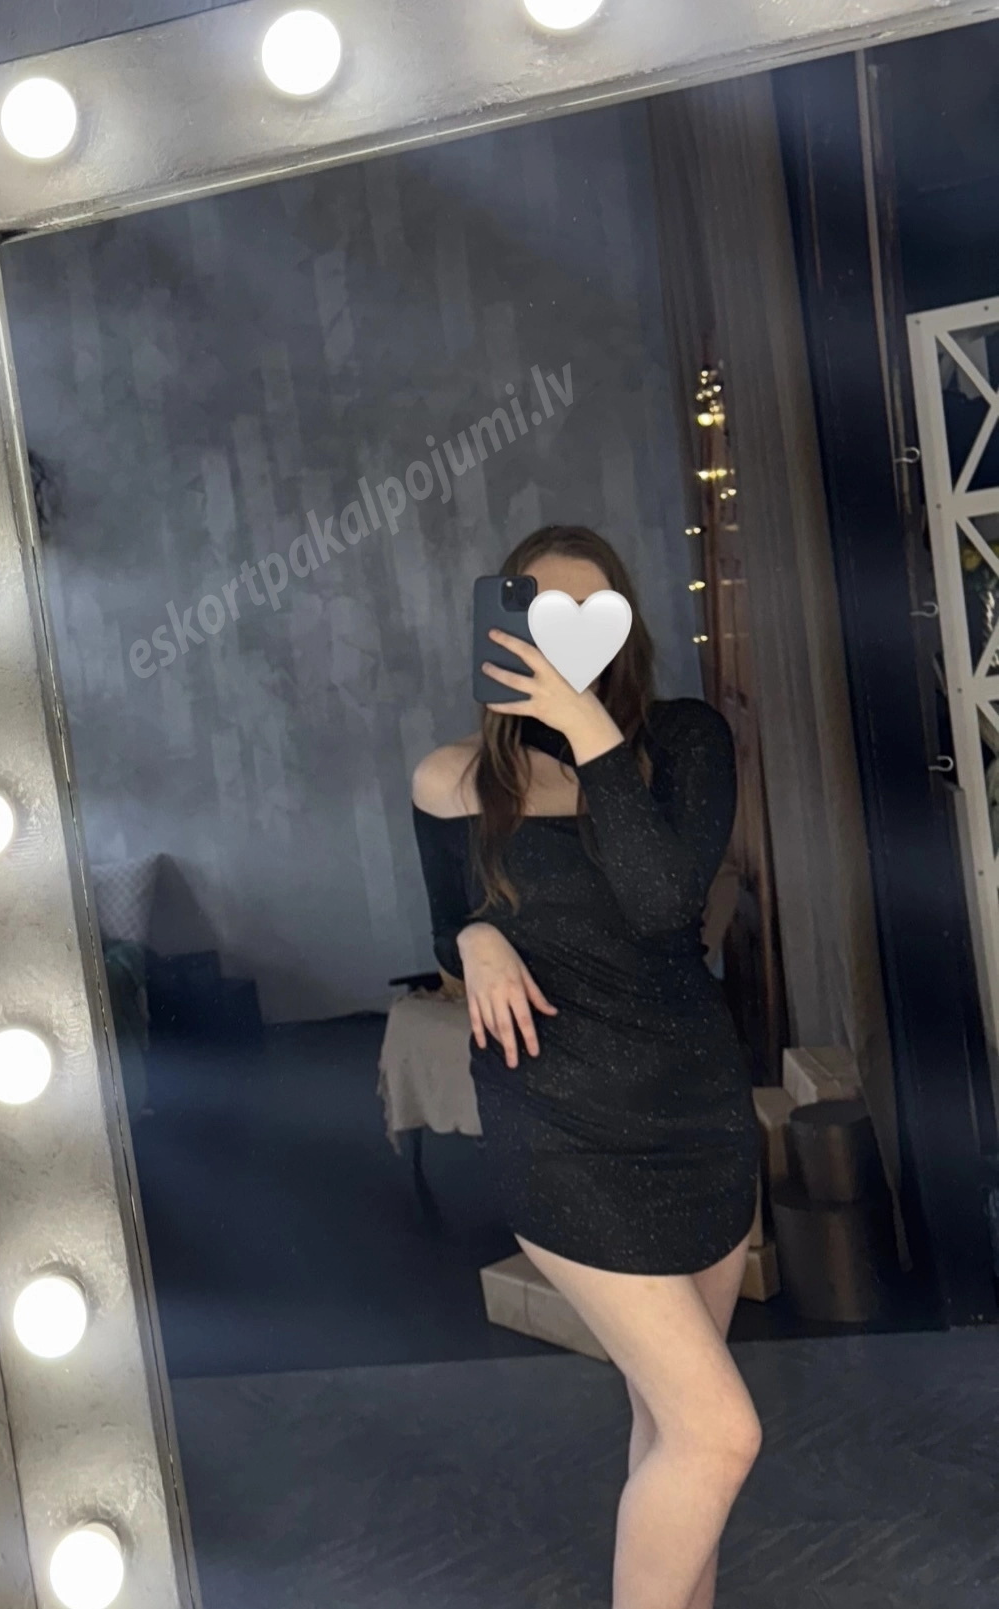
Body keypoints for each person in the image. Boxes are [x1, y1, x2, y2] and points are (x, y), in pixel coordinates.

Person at [411, 523, 761, 1609]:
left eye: (588, 615)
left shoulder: (686, 741)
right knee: (720, 1433)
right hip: (561, 1127)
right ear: (499, 629)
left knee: (671, 1427)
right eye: (538, 615)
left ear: (624, 628)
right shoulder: (451, 779)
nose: (563, 639)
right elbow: (446, 926)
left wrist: (588, 731)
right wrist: (476, 938)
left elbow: (664, 903)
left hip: (696, 1114)